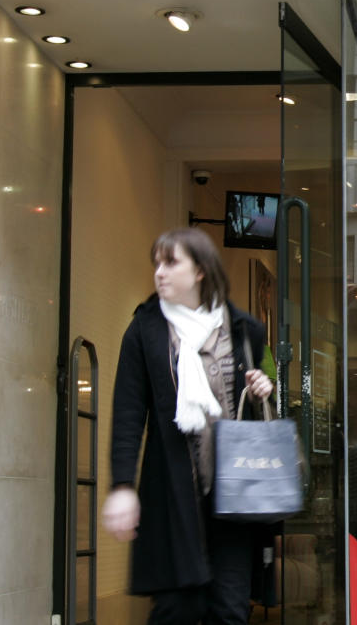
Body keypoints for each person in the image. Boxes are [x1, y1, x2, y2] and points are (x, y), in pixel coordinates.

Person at [102, 228, 274, 625]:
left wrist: (263, 388)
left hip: (234, 494)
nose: (159, 273)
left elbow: (256, 404)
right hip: (172, 494)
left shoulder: (244, 329)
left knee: (230, 609)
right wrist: (123, 486)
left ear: (200, 271)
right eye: (156, 264)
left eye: (171, 262)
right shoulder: (144, 330)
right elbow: (128, 413)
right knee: (177, 608)